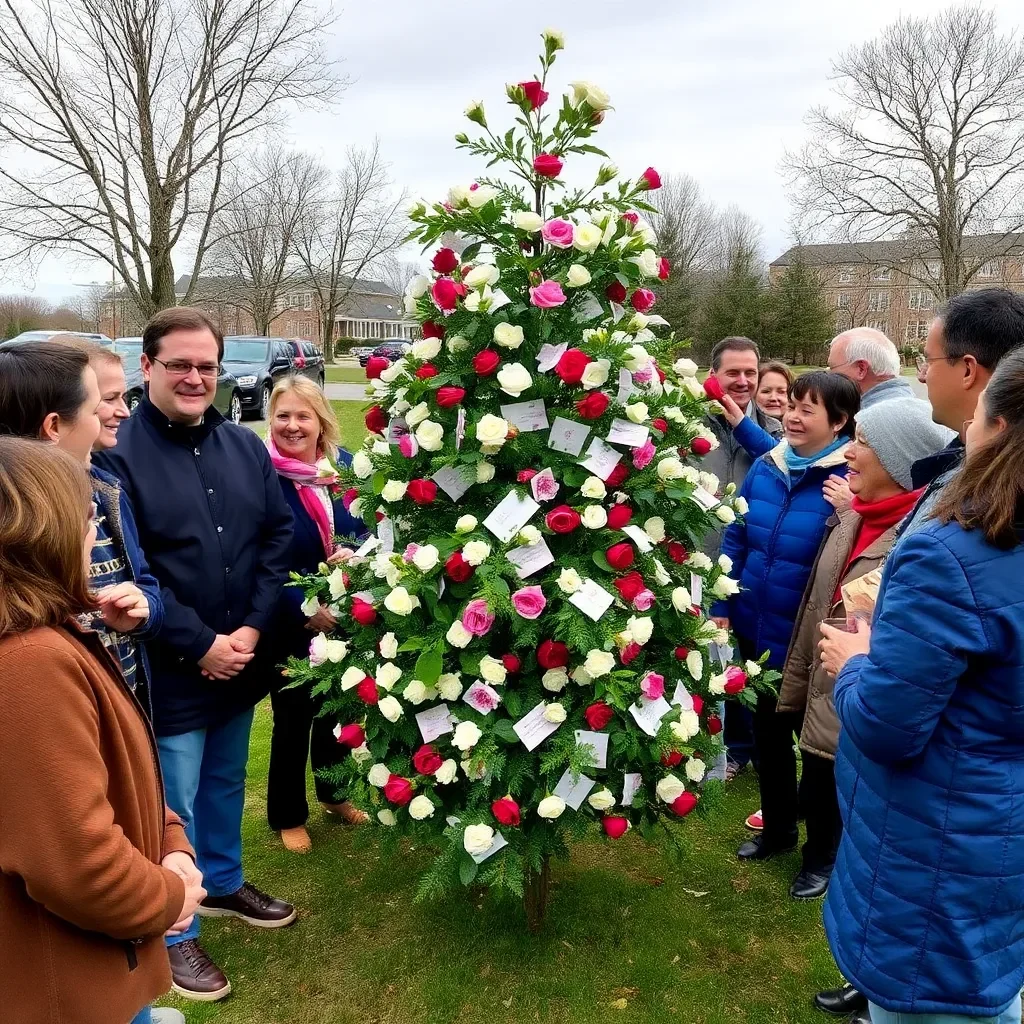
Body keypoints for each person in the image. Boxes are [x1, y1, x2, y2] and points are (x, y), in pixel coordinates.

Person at [811, 286, 1024, 1024]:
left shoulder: (954, 547)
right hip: (996, 826)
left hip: (935, 847)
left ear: (991, 412)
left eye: (927, 360)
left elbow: (893, 724)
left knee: (943, 1002)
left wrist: (860, 661)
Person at [94, 308, 295, 1002]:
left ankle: (225, 881)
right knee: (166, 801)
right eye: (179, 364)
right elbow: (129, 569)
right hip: (167, 667)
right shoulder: (114, 456)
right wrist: (201, 643)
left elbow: (278, 539)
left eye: (206, 365)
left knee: (225, 781)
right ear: (146, 366)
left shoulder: (244, 446)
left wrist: (250, 633)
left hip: (240, 658)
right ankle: (173, 933)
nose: (195, 377)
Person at [0, 436, 204, 1024]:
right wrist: (170, 896)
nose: (96, 531)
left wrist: (172, 844)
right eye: (86, 515)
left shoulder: (49, 631)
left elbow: (122, 770)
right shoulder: (27, 663)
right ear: (44, 531)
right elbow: (77, 864)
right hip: (66, 988)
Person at [777, 400, 951, 901]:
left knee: (843, 779)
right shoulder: (851, 517)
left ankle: (828, 859)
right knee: (814, 766)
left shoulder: (913, 539)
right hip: (825, 667)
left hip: (864, 684)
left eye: (864, 444)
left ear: (899, 460)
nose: (848, 453)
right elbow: (819, 597)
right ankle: (817, 850)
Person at [711, 370, 860, 864]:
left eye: (807, 409)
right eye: (791, 406)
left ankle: (821, 854)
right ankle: (776, 832)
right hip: (758, 630)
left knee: (817, 753)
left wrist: (853, 511)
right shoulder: (768, 466)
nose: (792, 416)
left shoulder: (848, 481)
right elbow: (736, 531)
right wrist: (722, 602)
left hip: (813, 641)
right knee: (769, 742)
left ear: (839, 422)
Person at [0, 341, 164, 712]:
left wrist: (144, 610)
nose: (115, 414)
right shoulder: (19, 537)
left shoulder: (106, 491)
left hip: (120, 702)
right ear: (54, 425)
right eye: (97, 407)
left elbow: (144, 582)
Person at [265, 375, 368, 853]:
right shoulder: (263, 476)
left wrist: (358, 556)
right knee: (292, 722)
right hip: (291, 621)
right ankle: (288, 814)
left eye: (302, 415)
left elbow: (370, 527)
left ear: (321, 420)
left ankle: (334, 794)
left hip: (347, 618)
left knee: (339, 710)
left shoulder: (343, 468)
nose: (292, 425)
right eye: (282, 415)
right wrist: (306, 609)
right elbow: (254, 557)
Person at [827, 327, 913, 407]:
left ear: (861, 369)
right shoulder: (908, 402)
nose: (828, 375)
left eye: (832, 368)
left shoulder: (866, 420)